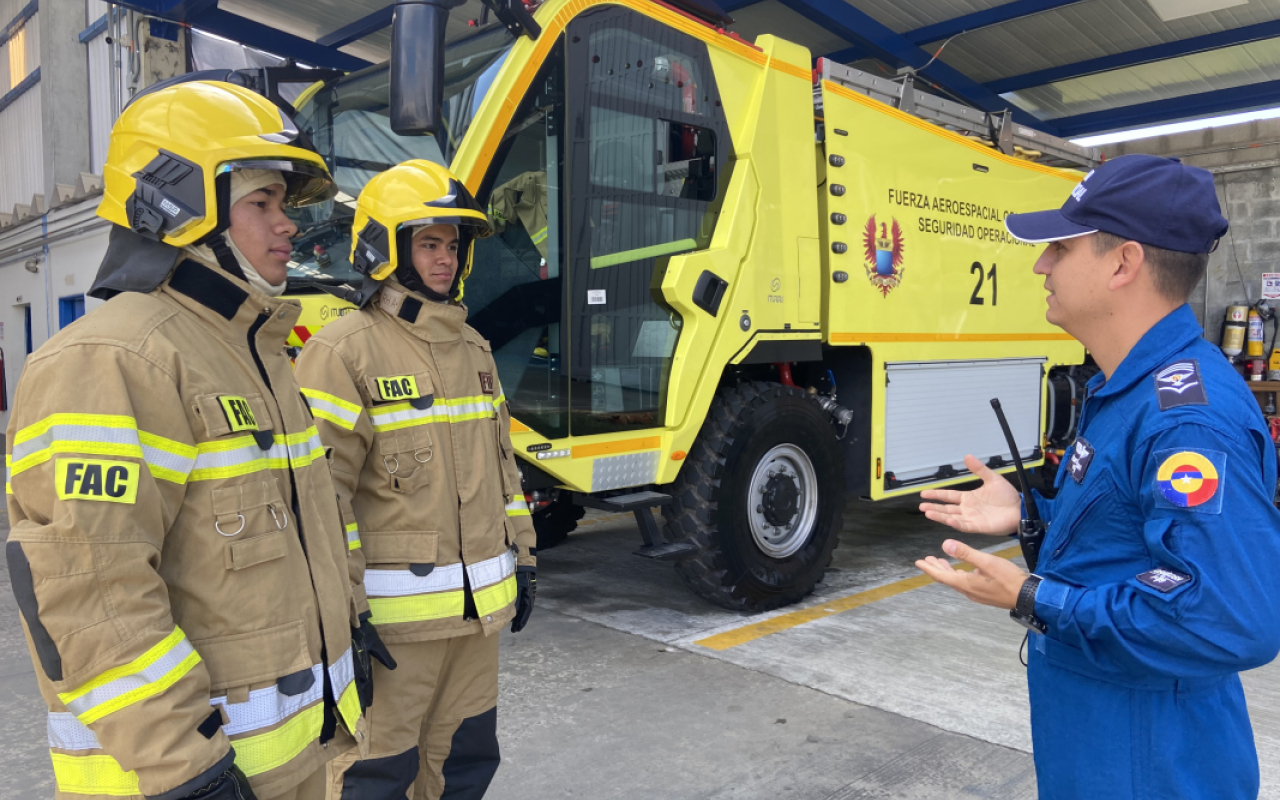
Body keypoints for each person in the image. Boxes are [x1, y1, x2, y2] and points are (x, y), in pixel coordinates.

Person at [4, 80, 388, 800]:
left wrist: (350, 625)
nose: (288, 229)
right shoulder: (113, 360)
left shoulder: (261, 354)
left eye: (285, 206)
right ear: (179, 207)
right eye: (261, 204)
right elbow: (89, 593)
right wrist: (187, 769)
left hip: (293, 763)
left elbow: (313, 527)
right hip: (189, 780)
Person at [915, 154, 1280, 799]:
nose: (1040, 265)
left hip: (1150, 765)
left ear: (1123, 263)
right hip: (1102, 745)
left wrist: (1035, 598)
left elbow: (1229, 617)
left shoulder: (1187, 423)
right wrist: (1031, 516)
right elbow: (1127, 534)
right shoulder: (1127, 391)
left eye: (1059, 246)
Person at [292, 160, 536, 799]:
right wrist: (341, 614)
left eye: (453, 246)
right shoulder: (343, 352)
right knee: (378, 776)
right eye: (429, 243)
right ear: (383, 248)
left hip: (476, 623)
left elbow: (501, 468)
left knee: (464, 766)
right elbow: (320, 498)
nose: (445, 260)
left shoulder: (476, 349)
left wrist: (524, 557)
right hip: (393, 633)